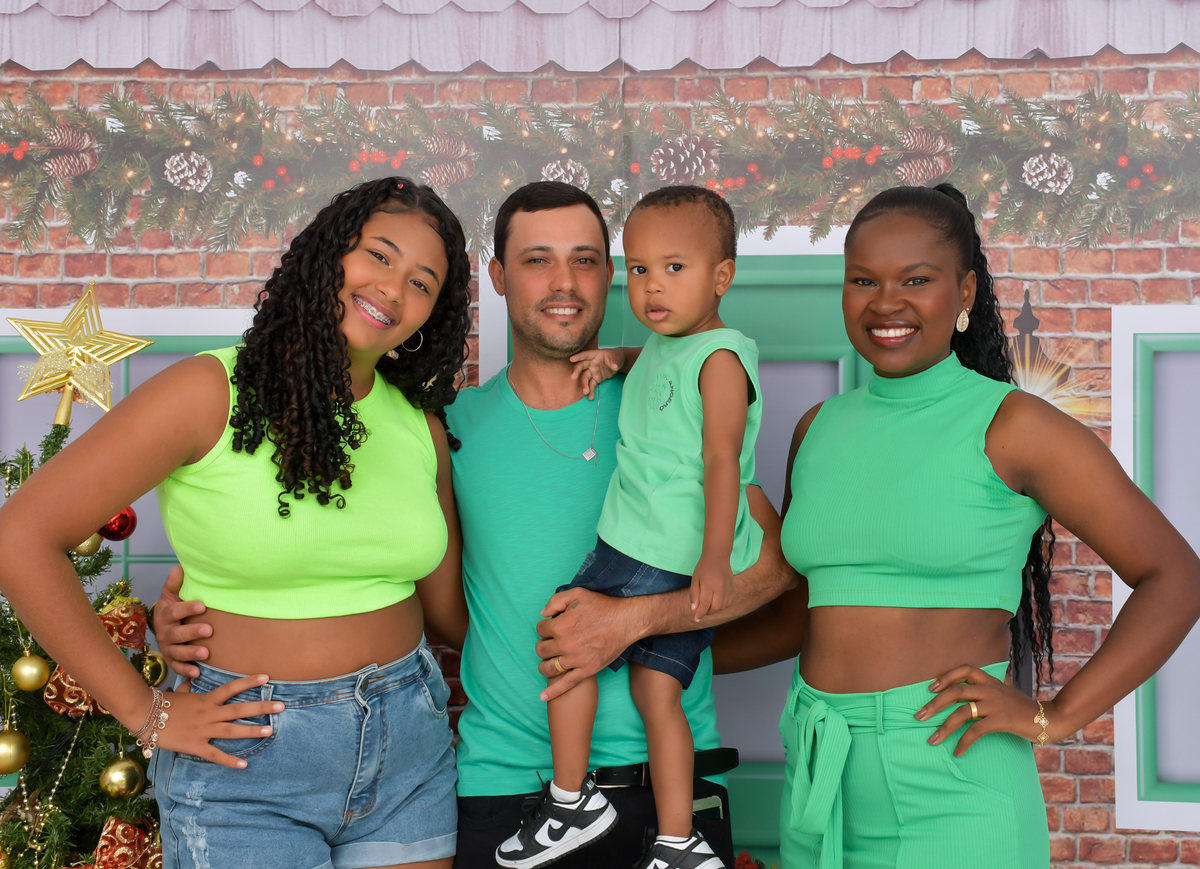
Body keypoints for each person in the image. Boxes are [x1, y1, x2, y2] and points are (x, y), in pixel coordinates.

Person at [155, 180, 798, 869]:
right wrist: (205, 611)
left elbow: (773, 571)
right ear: (497, 277)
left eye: (584, 260)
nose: (563, 282)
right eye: (537, 260)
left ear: (610, 273)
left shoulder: (668, 396)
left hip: (669, 797)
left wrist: (637, 625)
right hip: (508, 790)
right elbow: (394, 581)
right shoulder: (445, 429)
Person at [718, 183, 1200, 869]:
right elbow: (804, 617)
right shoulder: (818, 428)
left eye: (916, 280)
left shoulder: (1014, 425)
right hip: (819, 774)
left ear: (965, 291)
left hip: (953, 781)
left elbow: (1175, 577)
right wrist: (651, 657)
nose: (886, 303)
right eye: (863, 280)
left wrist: (1055, 716)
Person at [0, 176, 474, 869]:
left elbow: (454, 617)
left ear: (433, 312)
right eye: (378, 255)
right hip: (245, 764)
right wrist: (145, 711)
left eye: (422, 283)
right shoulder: (208, 392)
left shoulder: (420, 428)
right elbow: (19, 539)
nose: (393, 289)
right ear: (329, 254)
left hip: (408, 751)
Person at [494, 186, 760, 869]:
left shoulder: (722, 360)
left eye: (674, 268)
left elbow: (723, 459)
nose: (652, 286)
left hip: (654, 545)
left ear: (722, 277)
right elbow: (666, 361)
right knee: (656, 692)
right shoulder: (675, 348)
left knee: (565, 637)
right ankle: (678, 842)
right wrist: (618, 356)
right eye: (639, 269)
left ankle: (570, 800)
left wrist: (714, 557)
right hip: (671, 553)